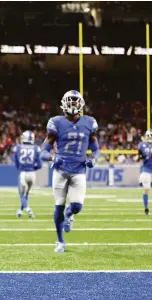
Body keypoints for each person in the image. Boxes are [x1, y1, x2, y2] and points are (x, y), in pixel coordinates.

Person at [40, 90, 100, 253]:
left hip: (79, 170)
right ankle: (60, 242)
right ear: (64, 103)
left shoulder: (89, 122)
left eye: (76, 101)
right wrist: (53, 158)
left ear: (81, 103)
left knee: (77, 206)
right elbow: (43, 151)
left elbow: (95, 148)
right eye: (70, 100)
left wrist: (93, 159)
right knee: (58, 206)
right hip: (60, 170)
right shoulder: (56, 122)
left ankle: (70, 214)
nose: (73, 104)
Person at [13, 131, 42, 218]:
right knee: (26, 194)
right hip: (32, 174)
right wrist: (33, 168)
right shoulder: (36, 148)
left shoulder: (18, 147)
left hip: (23, 173)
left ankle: (28, 209)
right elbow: (40, 165)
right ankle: (20, 211)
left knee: (21, 194)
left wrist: (21, 169)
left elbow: (17, 163)